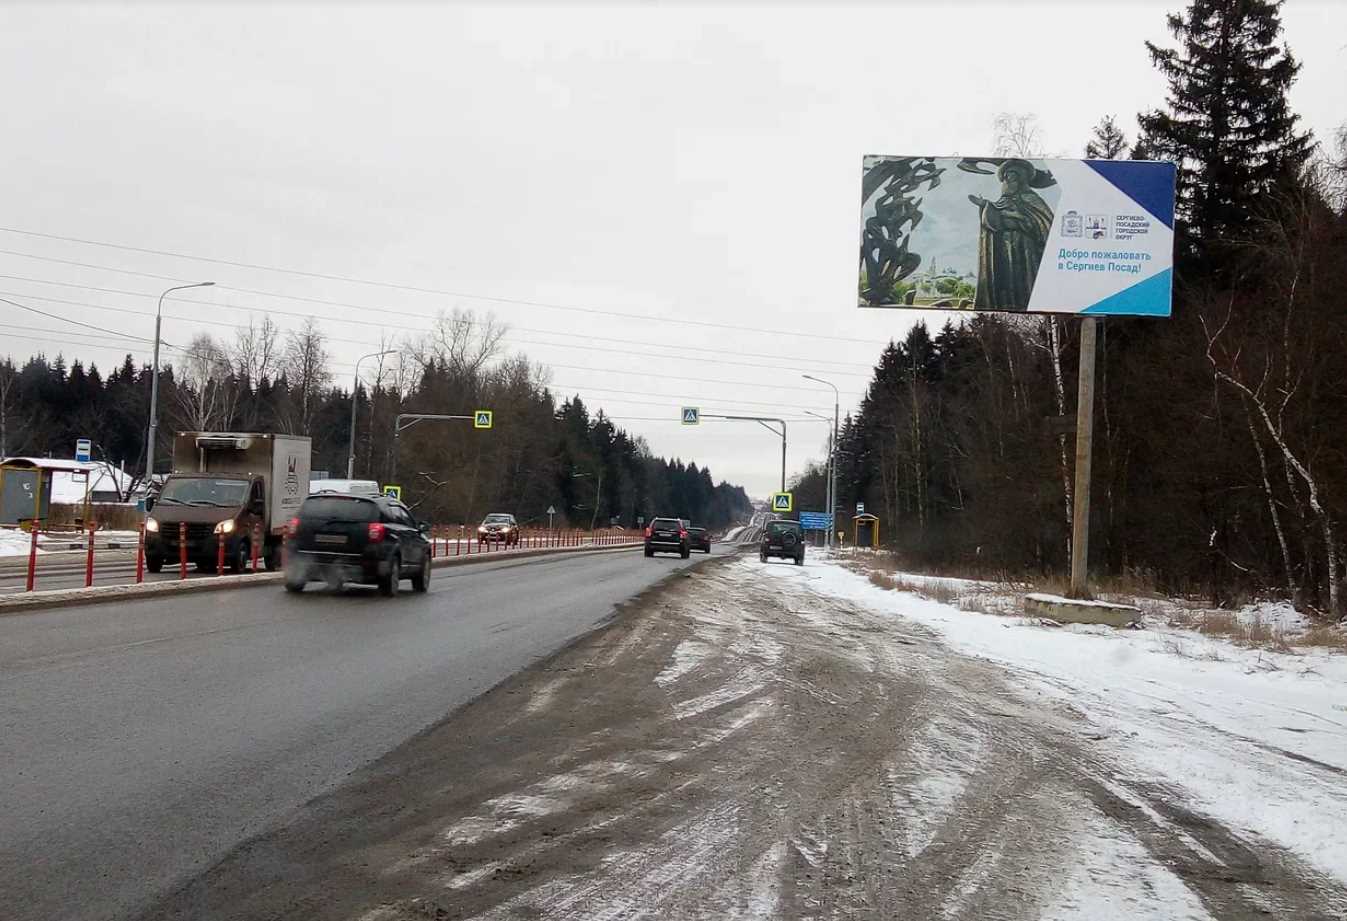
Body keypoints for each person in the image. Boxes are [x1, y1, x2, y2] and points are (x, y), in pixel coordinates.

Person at [968, 159, 1054, 311]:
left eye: (1011, 177)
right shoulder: (1001, 202)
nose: (1007, 181)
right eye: (1006, 178)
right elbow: (992, 223)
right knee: (1005, 281)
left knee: (1025, 280)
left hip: (1025, 249)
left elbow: (1043, 225)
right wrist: (985, 206)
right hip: (1003, 250)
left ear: (1021, 179)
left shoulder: (1033, 199)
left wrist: (1020, 219)